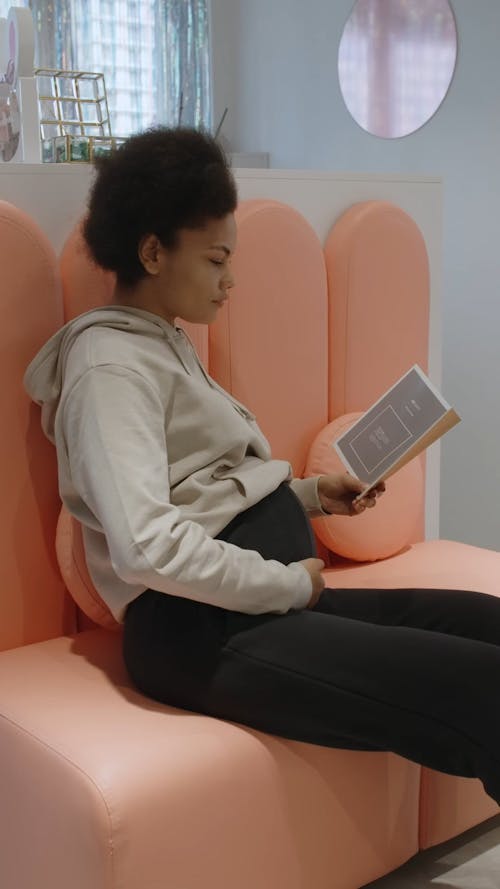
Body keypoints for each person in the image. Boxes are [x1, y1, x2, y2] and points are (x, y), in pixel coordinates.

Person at [24, 127, 500, 807]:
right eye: (216, 258)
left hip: (251, 606)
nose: (231, 280)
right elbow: (145, 544)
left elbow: (201, 491)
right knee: (484, 684)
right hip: (198, 630)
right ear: (153, 251)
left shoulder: (165, 344)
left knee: (487, 621)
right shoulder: (109, 367)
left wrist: (307, 497)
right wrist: (287, 586)